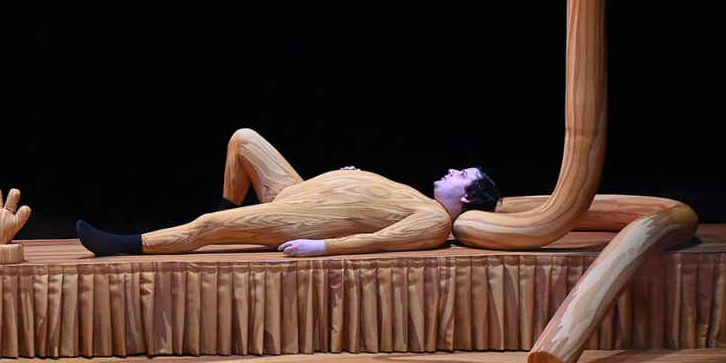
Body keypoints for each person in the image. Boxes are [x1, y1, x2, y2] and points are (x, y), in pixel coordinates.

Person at [75, 128, 497, 257]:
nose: (451, 170)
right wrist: (353, 179)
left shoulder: (435, 222)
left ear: (467, 198)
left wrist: (322, 246)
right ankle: (225, 223)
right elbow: (369, 202)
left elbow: (380, 241)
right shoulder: (421, 200)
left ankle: (125, 245)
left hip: (301, 219)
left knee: (206, 225)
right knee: (243, 139)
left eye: (461, 174)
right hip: (298, 194)